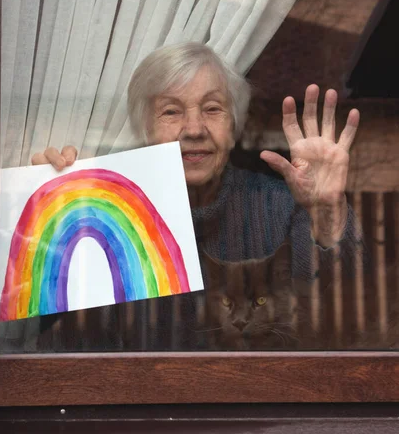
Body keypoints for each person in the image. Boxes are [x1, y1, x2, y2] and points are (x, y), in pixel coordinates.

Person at [33, 42, 361, 280]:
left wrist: (327, 212)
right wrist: (46, 220)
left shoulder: (277, 207)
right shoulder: (101, 209)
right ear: (143, 128)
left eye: (212, 109)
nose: (193, 129)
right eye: (171, 111)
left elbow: (348, 305)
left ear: (233, 126)